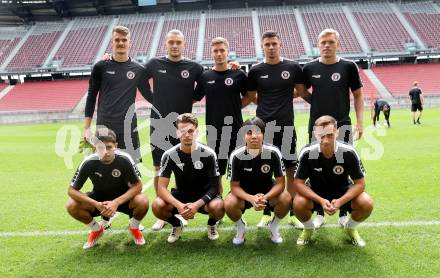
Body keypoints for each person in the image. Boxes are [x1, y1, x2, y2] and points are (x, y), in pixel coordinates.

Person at [84, 25, 151, 229]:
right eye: (117, 40)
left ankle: (134, 220)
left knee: (132, 173)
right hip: (103, 128)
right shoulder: (100, 67)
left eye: (124, 40)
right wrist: (86, 128)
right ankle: (105, 214)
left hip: (129, 128)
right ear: (112, 42)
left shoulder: (138, 70)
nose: (120, 43)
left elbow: (150, 96)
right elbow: (91, 95)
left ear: (130, 43)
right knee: (102, 171)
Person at [301, 28, 365, 228]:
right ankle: (319, 212)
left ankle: (343, 212)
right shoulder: (309, 68)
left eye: (331, 42)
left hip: (343, 125)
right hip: (316, 127)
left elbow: (358, 95)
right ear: (318, 45)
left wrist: (360, 122)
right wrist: (317, 102)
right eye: (323, 42)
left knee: (343, 168)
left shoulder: (348, 67)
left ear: (338, 44)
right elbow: (302, 92)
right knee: (315, 168)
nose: (327, 45)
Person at [143, 29, 205, 231]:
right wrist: (154, 100)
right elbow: (138, 79)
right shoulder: (154, 64)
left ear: (184, 44)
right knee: (159, 169)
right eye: (171, 42)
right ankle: (164, 215)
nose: (175, 45)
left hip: (184, 127)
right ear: (165, 44)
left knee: (182, 168)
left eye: (178, 42)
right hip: (159, 125)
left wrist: (190, 99)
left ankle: (182, 207)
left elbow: (203, 87)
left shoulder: (194, 67)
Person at [246, 30, 305, 228]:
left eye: (274, 44)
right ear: (262, 47)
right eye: (267, 45)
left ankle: (293, 213)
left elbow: (300, 90)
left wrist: (285, 98)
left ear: (280, 45)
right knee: (266, 171)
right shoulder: (255, 70)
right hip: (263, 129)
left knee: (290, 169)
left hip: (286, 126)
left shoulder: (293, 67)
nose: (271, 47)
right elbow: (253, 96)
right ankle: (267, 212)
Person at [293, 115, 374, 247]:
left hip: (342, 193)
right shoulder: (307, 152)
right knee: (298, 203)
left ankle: (351, 228)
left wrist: (341, 201)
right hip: (316, 193)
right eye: (321, 135)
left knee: (366, 203)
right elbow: (298, 183)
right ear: (315, 134)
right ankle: (308, 228)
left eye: (330, 135)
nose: (325, 140)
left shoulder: (348, 152)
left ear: (337, 132)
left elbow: (360, 184)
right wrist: (320, 200)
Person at [66, 128, 148, 249]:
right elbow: (71, 190)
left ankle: (134, 228)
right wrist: (96, 204)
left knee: (143, 201)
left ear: (116, 146)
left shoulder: (125, 159)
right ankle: (96, 230)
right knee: (71, 205)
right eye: (100, 148)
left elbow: (138, 186)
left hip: (123, 200)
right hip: (99, 201)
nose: (105, 152)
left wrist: (115, 202)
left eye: (109, 147)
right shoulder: (88, 162)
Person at [152, 113, 225, 243]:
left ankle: (212, 224)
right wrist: (179, 206)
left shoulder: (208, 154)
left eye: (190, 131)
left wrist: (196, 205)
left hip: (204, 196)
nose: (187, 135)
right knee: (157, 205)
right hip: (181, 195)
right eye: (183, 131)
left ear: (197, 132)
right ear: (177, 133)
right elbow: (161, 188)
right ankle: (176, 224)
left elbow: (215, 188)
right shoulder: (169, 155)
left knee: (219, 207)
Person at [194, 37, 252, 195]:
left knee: (238, 172)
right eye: (215, 51)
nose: (219, 54)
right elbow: (194, 97)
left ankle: (236, 208)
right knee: (217, 173)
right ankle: (218, 203)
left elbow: (249, 96)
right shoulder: (205, 77)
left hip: (235, 131)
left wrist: (234, 107)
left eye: (222, 50)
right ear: (211, 53)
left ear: (228, 52)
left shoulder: (238, 74)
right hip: (214, 131)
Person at [224, 117, 292, 245]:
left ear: (263, 134)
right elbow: (234, 187)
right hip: (244, 193)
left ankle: (274, 226)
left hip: (267, 191)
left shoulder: (273, 152)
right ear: (243, 135)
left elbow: (281, 183)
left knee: (286, 198)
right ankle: (240, 227)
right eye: (249, 133)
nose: (254, 136)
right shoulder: (236, 155)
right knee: (228, 203)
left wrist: (264, 197)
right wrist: (251, 198)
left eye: (258, 132)